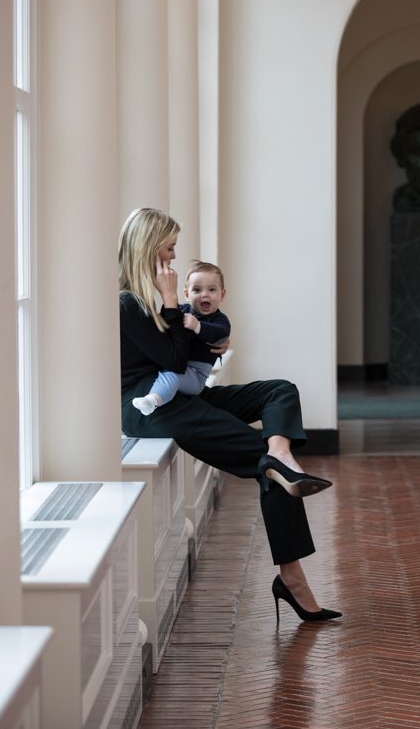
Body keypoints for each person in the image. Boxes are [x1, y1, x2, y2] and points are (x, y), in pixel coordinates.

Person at [118, 207, 340, 623]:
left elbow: (184, 351)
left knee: (279, 391)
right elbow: (172, 355)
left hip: (183, 398)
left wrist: (211, 337)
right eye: (168, 249)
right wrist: (172, 303)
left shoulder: (148, 296)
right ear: (148, 249)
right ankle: (292, 578)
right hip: (149, 409)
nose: (172, 259)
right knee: (268, 468)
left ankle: (280, 451)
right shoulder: (128, 302)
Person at [131, 260, 232, 416]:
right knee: (169, 373)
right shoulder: (183, 310)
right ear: (186, 294)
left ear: (222, 294)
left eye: (212, 289)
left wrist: (198, 326)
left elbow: (220, 333)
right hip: (181, 365)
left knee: (173, 376)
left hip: (197, 375)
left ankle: (152, 401)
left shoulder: (219, 320)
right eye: (197, 290)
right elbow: (166, 322)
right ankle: (152, 398)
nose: (204, 294)